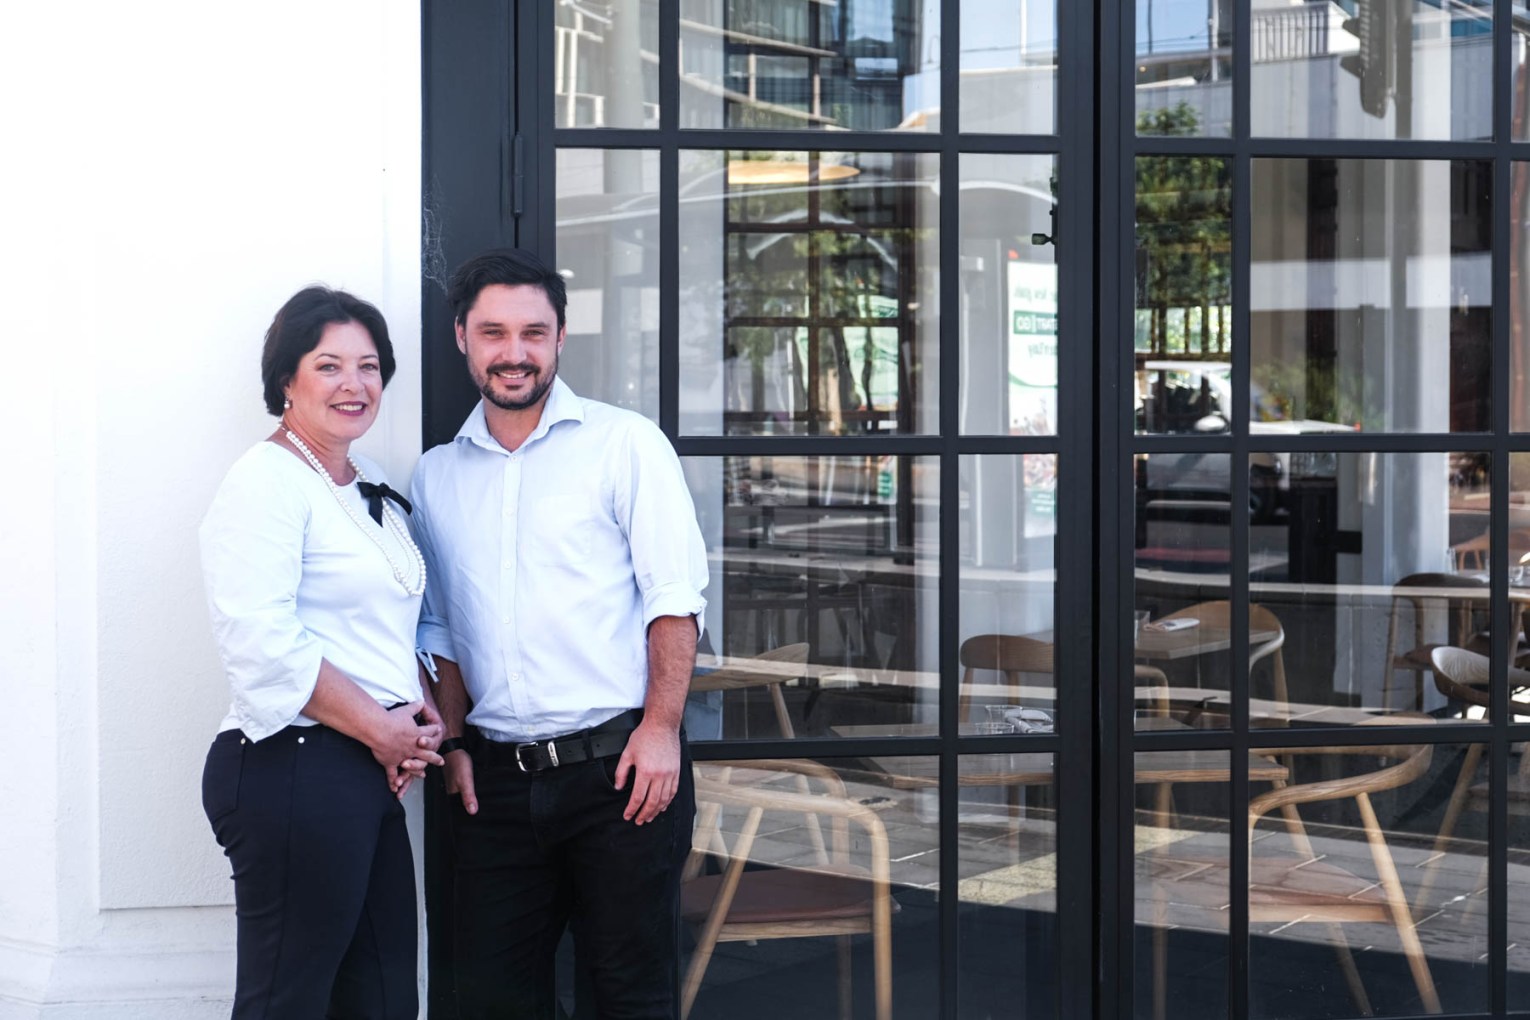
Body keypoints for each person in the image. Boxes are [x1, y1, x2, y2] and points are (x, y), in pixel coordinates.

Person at [411, 248, 709, 1019]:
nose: (514, 353)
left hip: (620, 771)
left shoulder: (624, 444)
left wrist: (662, 730)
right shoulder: (435, 477)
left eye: (533, 333)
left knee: (629, 998)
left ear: (561, 339)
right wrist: (449, 744)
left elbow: (672, 598)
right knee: (490, 1000)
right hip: (496, 787)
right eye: (494, 333)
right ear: (462, 340)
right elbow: (439, 626)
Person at [199, 285, 445, 1019]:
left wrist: (419, 708)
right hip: (293, 765)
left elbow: (386, 621)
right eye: (329, 365)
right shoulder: (265, 483)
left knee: (381, 999)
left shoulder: (363, 483)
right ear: (287, 379)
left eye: (369, 366)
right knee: (289, 1003)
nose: (354, 384)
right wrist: (384, 728)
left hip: (362, 766)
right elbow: (263, 645)